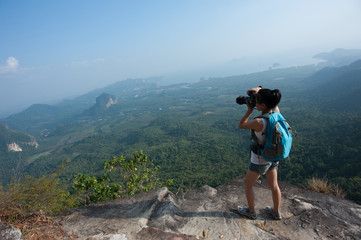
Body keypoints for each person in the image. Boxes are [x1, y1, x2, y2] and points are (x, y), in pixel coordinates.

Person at [237, 86, 282, 220]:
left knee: (248, 183)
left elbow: (242, 125)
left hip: (260, 158)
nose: (255, 104)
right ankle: (276, 211)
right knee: (274, 185)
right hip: (274, 155)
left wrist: (249, 110)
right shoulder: (276, 112)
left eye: (257, 102)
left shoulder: (259, 122)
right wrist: (260, 90)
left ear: (262, 105)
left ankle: (251, 212)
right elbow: (272, 103)